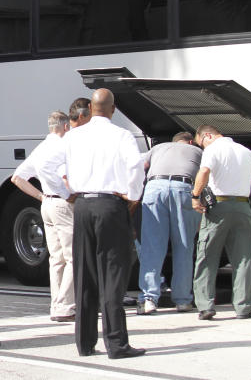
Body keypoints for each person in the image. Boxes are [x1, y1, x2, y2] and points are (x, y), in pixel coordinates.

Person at [42, 89, 145, 359]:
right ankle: (116, 344)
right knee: (112, 274)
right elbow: (135, 168)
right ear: (113, 109)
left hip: (83, 206)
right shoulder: (122, 135)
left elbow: (48, 166)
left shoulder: (74, 136)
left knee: (85, 274)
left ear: (91, 107)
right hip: (110, 204)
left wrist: (69, 191)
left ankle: (85, 343)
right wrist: (132, 196)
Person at [191, 125, 251, 320]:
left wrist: (195, 195)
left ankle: (206, 306)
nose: (202, 147)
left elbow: (204, 171)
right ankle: (243, 307)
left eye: (201, 143)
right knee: (242, 259)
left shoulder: (212, 150)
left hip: (219, 207)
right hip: (243, 207)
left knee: (207, 256)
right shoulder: (245, 151)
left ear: (207, 135)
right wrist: (240, 184)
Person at [10, 111, 76, 322]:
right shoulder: (64, 146)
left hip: (46, 203)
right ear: (66, 127)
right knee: (73, 256)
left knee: (56, 258)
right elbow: (67, 177)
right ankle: (65, 306)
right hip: (63, 203)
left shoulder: (42, 147)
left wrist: (40, 196)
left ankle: (56, 304)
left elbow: (17, 178)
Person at [136, 131, 202, 315]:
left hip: (154, 188)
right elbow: (204, 176)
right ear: (190, 142)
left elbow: (140, 166)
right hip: (184, 188)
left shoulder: (157, 148)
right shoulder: (197, 152)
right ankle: (182, 300)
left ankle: (149, 299)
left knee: (152, 247)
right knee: (184, 246)